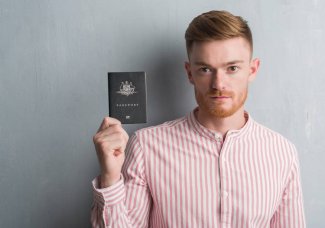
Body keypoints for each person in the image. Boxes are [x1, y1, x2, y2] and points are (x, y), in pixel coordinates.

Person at [91, 10, 306, 228]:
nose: (218, 84)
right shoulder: (146, 147)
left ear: (252, 70)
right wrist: (110, 178)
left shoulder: (282, 153)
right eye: (205, 69)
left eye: (232, 68)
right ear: (189, 73)